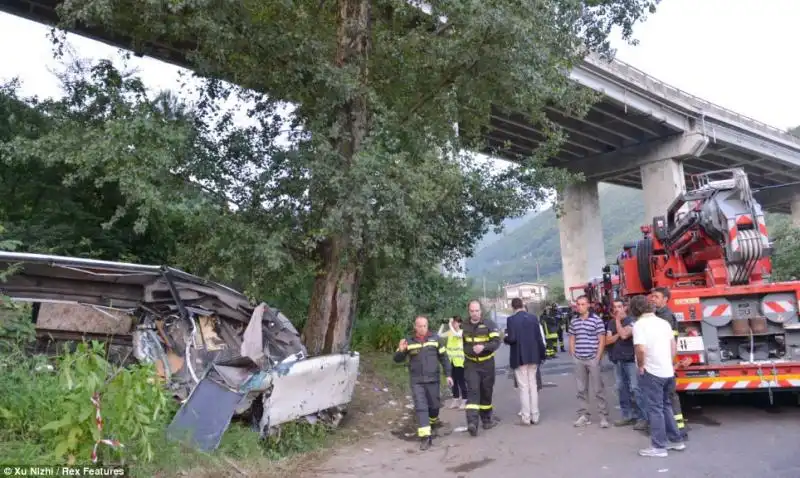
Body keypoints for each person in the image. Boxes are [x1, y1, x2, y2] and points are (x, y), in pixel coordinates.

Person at [630, 295, 687, 457]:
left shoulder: (640, 325)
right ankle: (677, 440)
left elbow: (640, 349)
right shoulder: (664, 323)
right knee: (666, 405)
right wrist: (669, 362)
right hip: (667, 371)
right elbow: (673, 347)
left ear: (635, 309)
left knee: (655, 409)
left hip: (652, 371)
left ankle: (659, 447)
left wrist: (641, 366)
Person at [394, 316, 453, 451]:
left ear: (428, 326)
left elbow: (444, 358)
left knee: (434, 406)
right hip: (417, 381)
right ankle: (425, 437)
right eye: (419, 326)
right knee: (421, 407)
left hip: (433, 380)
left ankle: (432, 421)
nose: (422, 328)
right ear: (415, 327)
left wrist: (448, 375)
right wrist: (401, 350)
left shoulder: (435, 339)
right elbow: (397, 359)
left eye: (424, 326)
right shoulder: (408, 341)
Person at [649, 287, 689, 438]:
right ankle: (675, 428)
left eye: (656, 297)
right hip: (663, 361)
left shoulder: (666, 317)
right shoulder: (659, 314)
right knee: (666, 398)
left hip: (664, 361)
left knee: (669, 397)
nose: (653, 299)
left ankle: (678, 429)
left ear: (665, 299)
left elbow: (667, 342)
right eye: (652, 297)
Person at [568, 295, 610, 428]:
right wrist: (573, 354)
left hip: (592, 358)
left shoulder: (596, 320)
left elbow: (601, 339)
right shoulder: (574, 321)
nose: (580, 307)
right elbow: (572, 338)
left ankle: (603, 416)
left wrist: (598, 356)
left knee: (598, 388)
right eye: (578, 305)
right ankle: (584, 415)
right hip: (579, 358)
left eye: (582, 304)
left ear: (588, 305)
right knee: (581, 389)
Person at [504, 298, 547, 425]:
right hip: (534, 356)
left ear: (513, 307)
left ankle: (526, 417)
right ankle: (535, 415)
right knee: (533, 385)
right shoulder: (533, 318)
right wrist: (542, 354)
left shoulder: (511, 320)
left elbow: (512, 339)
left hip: (520, 357)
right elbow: (539, 337)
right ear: (523, 306)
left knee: (523, 387)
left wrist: (505, 338)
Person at [462, 299, 501, 436]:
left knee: (486, 391)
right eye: (472, 311)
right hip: (471, 364)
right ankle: (472, 422)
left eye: (477, 311)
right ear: (469, 311)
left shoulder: (489, 324)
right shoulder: (464, 326)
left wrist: (484, 347)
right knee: (473, 392)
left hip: (487, 363)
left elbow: (496, 342)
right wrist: (470, 351)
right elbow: (461, 344)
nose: (474, 314)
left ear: (481, 311)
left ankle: (486, 419)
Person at [605, 298, 645, 429]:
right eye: (615, 307)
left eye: (619, 306)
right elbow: (607, 341)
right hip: (617, 360)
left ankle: (642, 418)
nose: (617, 309)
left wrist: (617, 324)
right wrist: (618, 332)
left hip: (630, 361)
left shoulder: (632, 321)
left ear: (625, 308)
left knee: (635, 388)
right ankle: (627, 416)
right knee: (622, 389)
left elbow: (623, 335)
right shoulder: (610, 323)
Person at [440, 316, 467, 409]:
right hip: (450, 361)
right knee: (453, 382)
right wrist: (443, 324)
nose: (453, 324)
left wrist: (450, 325)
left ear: (459, 323)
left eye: (455, 322)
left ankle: (464, 400)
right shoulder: (450, 332)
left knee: (461, 381)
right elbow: (439, 335)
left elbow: (456, 335)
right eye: (453, 322)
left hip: (459, 361)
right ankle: (456, 399)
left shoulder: (461, 332)